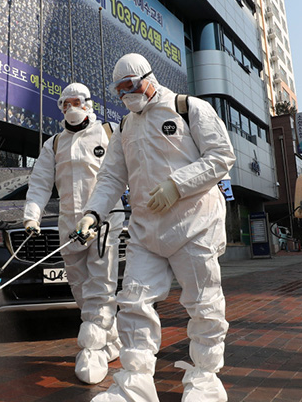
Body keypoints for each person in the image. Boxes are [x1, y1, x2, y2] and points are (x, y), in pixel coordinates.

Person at [76, 53, 235, 402]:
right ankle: (134, 385)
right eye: (119, 91)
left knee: (204, 303)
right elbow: (111, 178)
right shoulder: (124, 127)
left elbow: (222, 156)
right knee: (133, 302)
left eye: (130, 86)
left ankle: (206, 379)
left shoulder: (187, 108)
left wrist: (177, 184)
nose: (126, 95)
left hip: (194, 224)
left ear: (148, 78)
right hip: (147, 231)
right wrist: (93, 213)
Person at [23, 82, 123, 385]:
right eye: (64, 104)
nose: (70, 108)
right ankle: (112, 339)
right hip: (69, 227)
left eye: (75, 102)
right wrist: (32, 217)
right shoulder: (54, 144)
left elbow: (128, 171)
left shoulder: (110, 133)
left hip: (105, 222)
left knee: (101, 285)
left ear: (88, 103)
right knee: (80, 289)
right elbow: (40, 183)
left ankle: (91, 350)